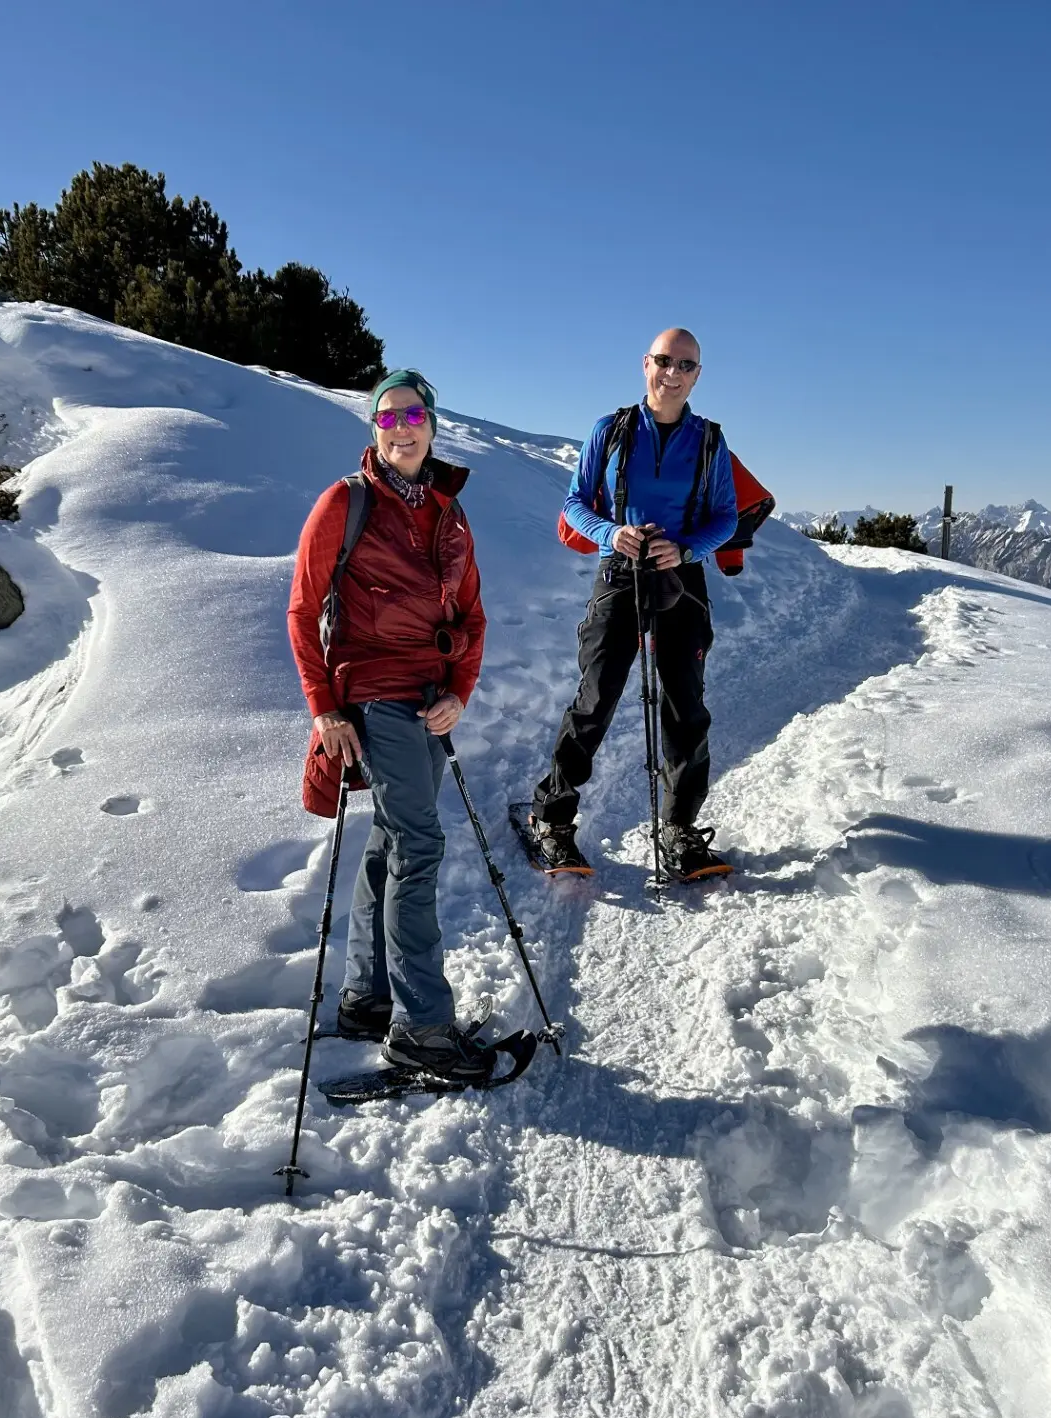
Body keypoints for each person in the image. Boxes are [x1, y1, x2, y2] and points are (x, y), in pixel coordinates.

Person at [287, 369, 493, 1081]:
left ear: (432, 425)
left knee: (390, 839)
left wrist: (459, 692)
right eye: (387, 417)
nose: (401, 428)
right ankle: (422, 1029)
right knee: (418, 843)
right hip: (376, 697)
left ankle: (368, 998)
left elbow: (472, 616)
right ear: (373, 428)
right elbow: (302, 610)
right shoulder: (344, 503)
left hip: (430, 698)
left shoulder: (449, 510)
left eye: (413, 416)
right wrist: (324, 707)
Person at [528, 328, 737, 882]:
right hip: (620, 574)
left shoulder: (710, 441)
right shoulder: (611, 430)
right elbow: (575, 503)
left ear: (698, 375)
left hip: (681, 578)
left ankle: (679, 829)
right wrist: (611, 532)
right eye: (665, 361)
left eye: (686, 365)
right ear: (646, 364)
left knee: (685, 706)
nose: (674, 373)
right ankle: (550, 818)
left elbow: (726, 517)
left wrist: (685, 548)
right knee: (596, 697)